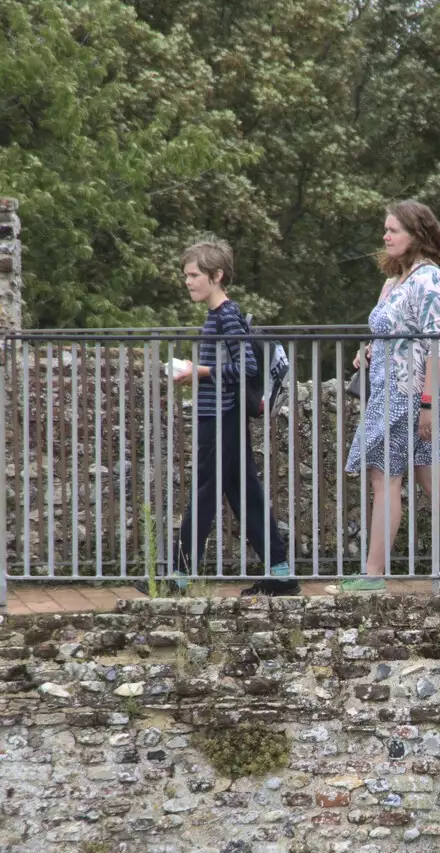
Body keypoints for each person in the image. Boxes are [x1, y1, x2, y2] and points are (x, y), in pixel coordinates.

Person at [341, 201, 440, 593]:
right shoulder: (396, 281)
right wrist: (369, 349)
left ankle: (373, 575)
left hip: (409, 392)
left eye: (394, 230)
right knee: (432, 476)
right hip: (393, 389)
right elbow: (389, 330)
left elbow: (437, 345)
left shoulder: (429, 280)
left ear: (416, 234)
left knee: (384, 476)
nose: (385, 236)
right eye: (386, 229)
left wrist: (427, 403)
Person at [164, 237, 298, 596]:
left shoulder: (226, 314)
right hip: (222, 415)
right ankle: (281, 573)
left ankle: (179, 577)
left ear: (216, 275)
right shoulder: (218, 315)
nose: (188, 281)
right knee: (244, 493)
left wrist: (198, 372)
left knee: (206, 493)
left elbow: (245, 366)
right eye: (186, 275)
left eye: (194, 274)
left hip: (222, 416)